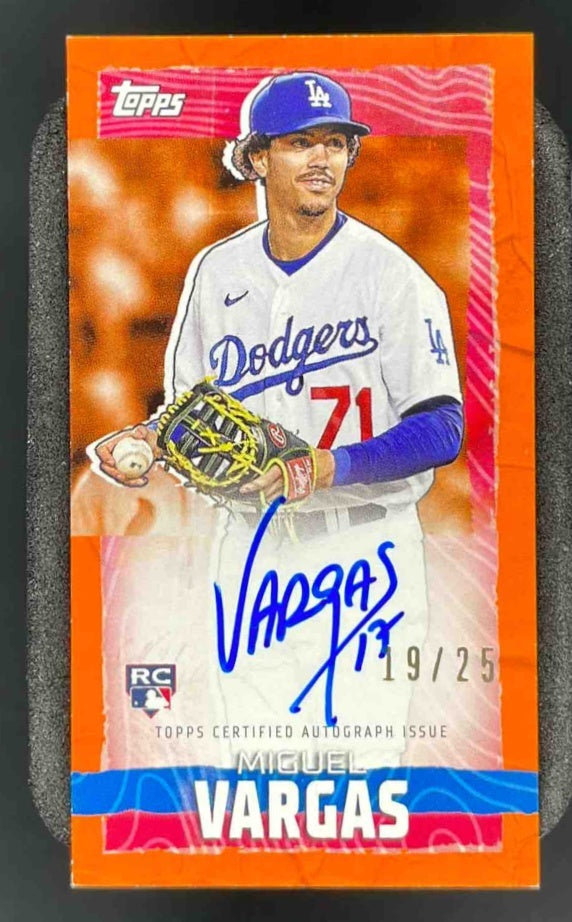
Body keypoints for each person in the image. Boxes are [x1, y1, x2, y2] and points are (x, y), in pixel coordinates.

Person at [94, 72, 464, 766]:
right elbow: (191, 412)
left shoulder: (394, 277)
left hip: (364, 553)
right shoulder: (217, 272)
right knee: (259, 771)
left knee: (357, 776)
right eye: (301, 142)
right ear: (257, 157)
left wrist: (332, 465)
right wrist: (147, 439)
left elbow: (444, 426)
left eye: (336, 142)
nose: (323, 158)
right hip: (252, 550)